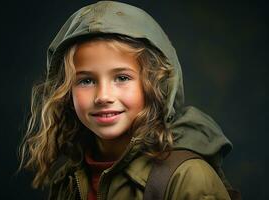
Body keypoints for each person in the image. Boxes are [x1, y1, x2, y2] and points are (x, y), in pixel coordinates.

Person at [19, 1, 235, 199]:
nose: (103, 96)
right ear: (65, 90)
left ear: (155, 84)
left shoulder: (187, 178)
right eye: (86, 81)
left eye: (122, 78)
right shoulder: (69, 180)